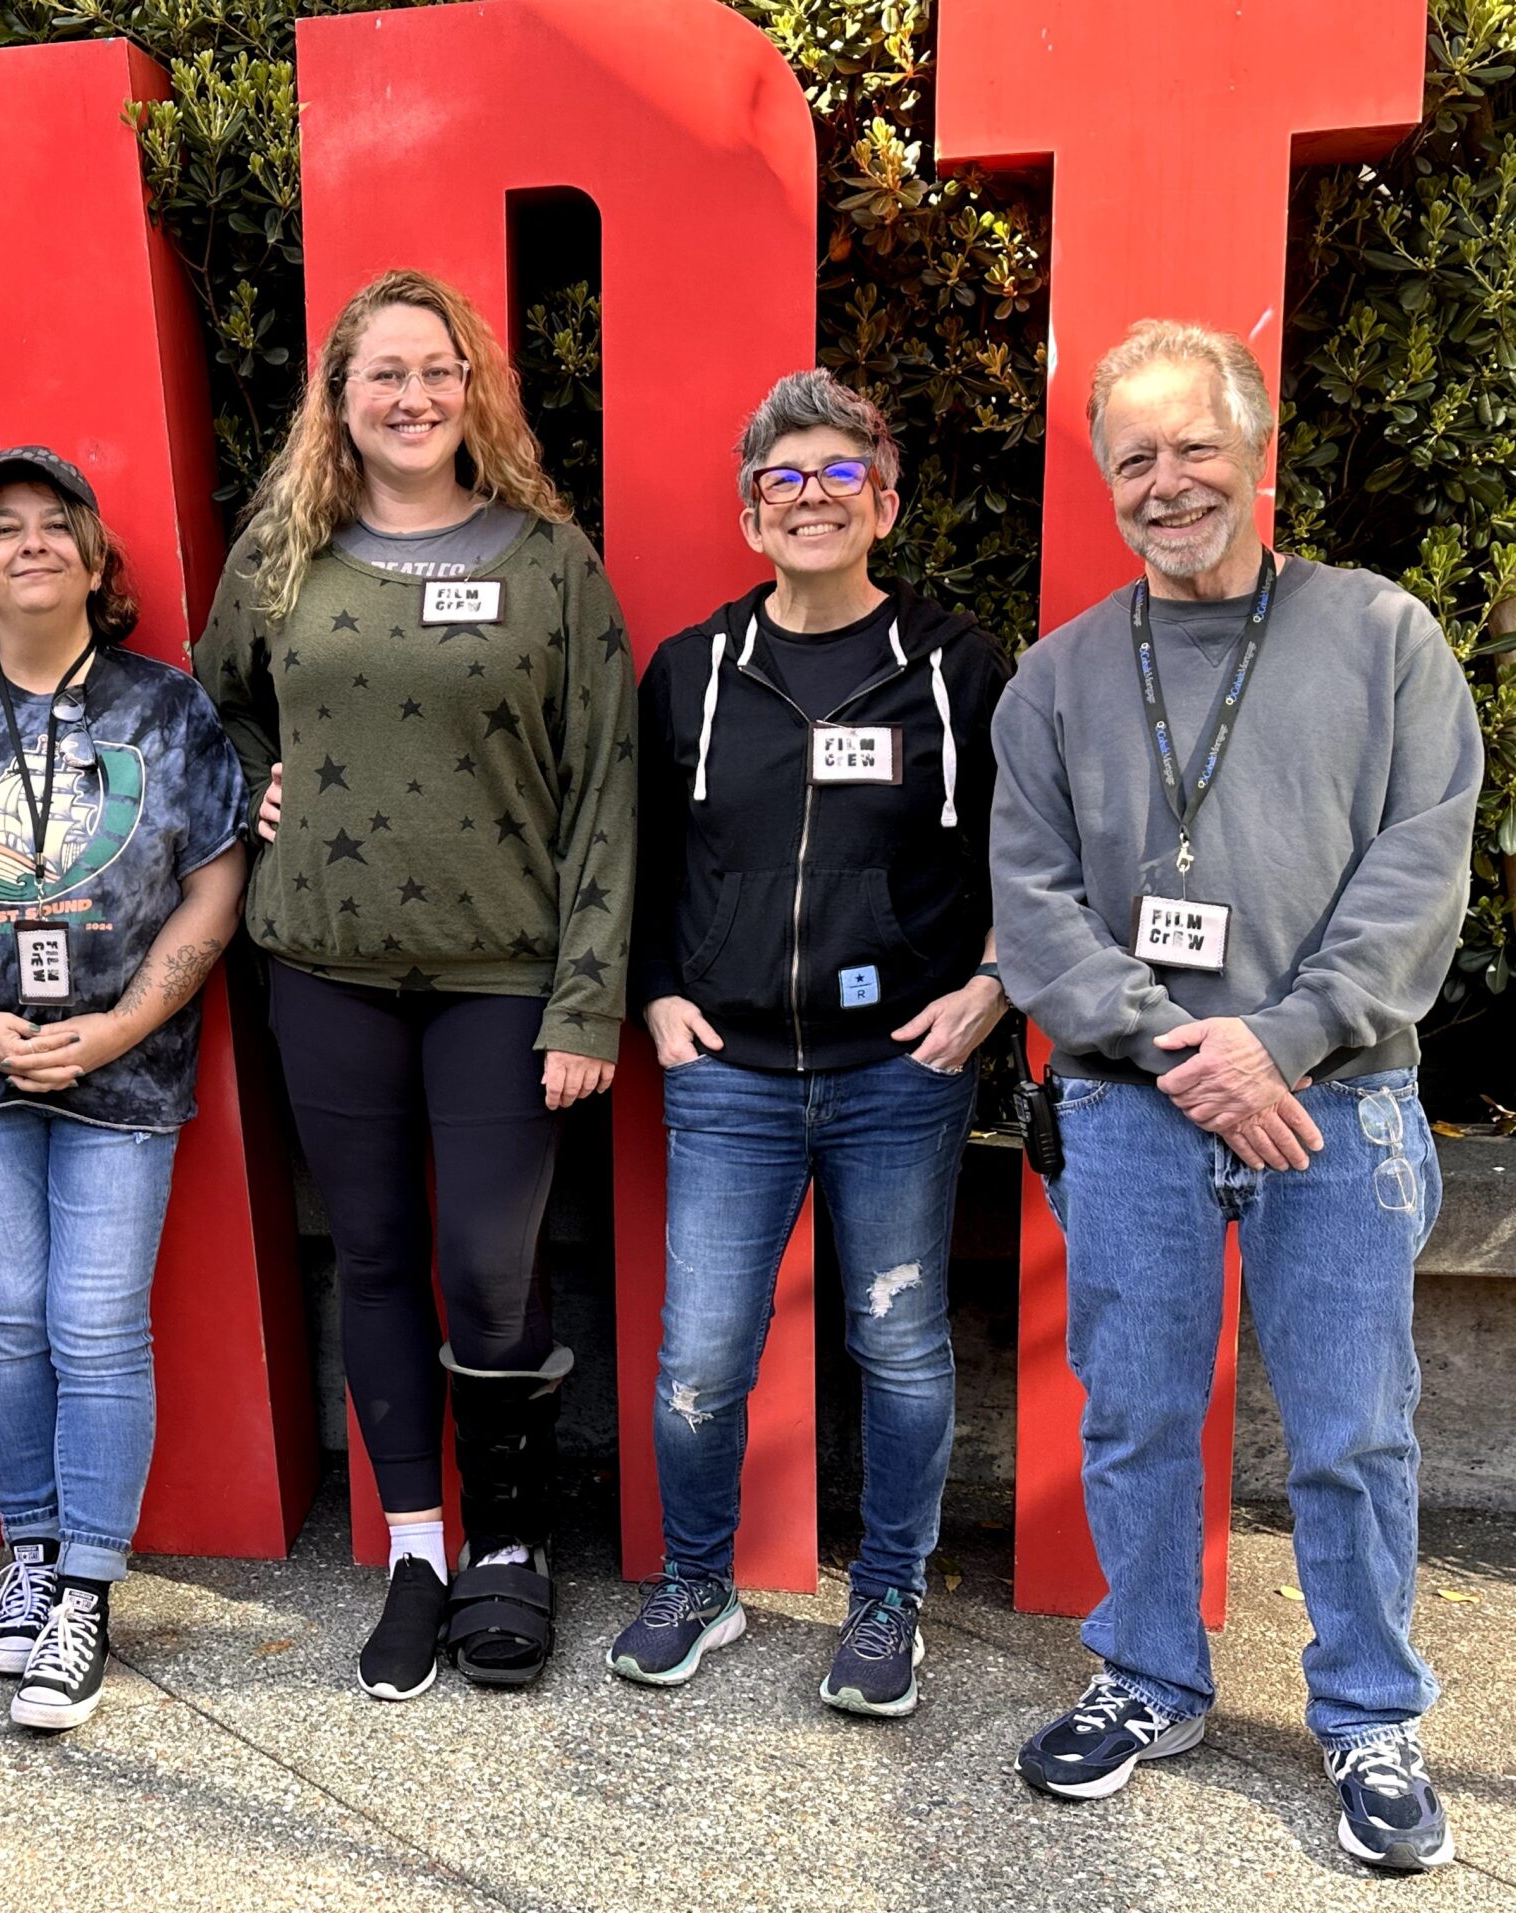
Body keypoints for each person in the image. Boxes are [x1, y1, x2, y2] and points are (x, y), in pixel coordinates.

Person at [992, 321, 1483, 1872]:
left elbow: (1422, 863)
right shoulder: (1054, 678)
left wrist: (1284, 1037)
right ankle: (1146, 1676)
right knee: (1134, 1416)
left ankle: (1370, 1716)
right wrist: (1182, 1050)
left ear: (1253, 450)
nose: (1166, 482)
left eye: (1192, 446)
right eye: (1131, 457)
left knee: (1351, 1431)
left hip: (1334, 1106)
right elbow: (1030, 905)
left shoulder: (1381, 634)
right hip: (1130, 1108)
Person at [194, 269, 636, 1699]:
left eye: (437, 369)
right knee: (375, 1258)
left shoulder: (548, 560)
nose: (411, 395)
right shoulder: (282, 554)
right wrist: (254, 787)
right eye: (382, 372)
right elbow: (215, 699)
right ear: (337, 399)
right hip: (323, 968)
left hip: (502, 978)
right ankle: (415, 1551)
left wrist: (586, 997)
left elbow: (606, 785)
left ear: (473, 389)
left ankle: (509, 1543)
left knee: (489, 1273)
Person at [609, 371, 1010, 1716]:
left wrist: (994, 983)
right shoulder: (693, 671)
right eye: (784, 478)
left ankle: (889, 1599)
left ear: (883, 505)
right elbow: (640, 854)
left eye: (842, 474)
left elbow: (1031, 847)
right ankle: (698, 1583)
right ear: (750, 515)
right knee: (701, 1358)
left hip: (898, 1073)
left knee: (898, 1347)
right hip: (727, 1073)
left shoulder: (955, 667)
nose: (811, 497)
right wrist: (653, 993)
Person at [0, 447, 246, 1732]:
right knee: (7, 1321)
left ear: (96, 559)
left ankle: (85, 1590)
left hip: (126, 1074)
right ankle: (27, 1551)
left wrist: (122, 1020)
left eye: (56, 524)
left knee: (98, 1324)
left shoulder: (168, 709)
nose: (31, 543)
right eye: (4, 527)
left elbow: (216, 883)